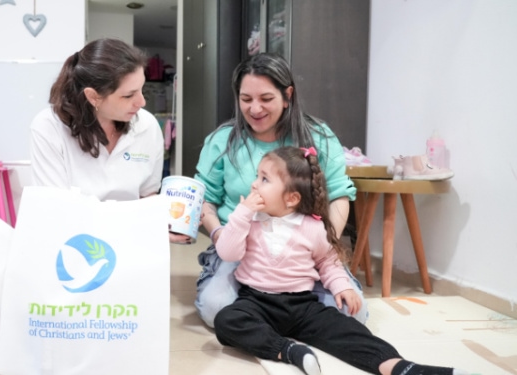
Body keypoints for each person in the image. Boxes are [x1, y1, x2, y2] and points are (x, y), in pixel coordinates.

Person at [213, 146, 466, 375]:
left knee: (348, 328)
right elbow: (228, 253)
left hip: (301, 306)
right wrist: (242, 214)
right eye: (257, 176)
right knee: (227, 321)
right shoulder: (248, 220)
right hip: (256, 302)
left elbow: (328, 262)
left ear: (291, 198)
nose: (255, 184)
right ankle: (288, 351)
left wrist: (342, 285)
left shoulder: (311, 228)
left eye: (264, 179)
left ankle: (400, 367)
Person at [194, 52, 367, 328]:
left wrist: (322, 245)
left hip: (304, 252)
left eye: (266, 99)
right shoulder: (222, 141)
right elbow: (204, 199)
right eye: (246, 99)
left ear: (287, 95)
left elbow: (338, 194)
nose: (255, 109)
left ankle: (269, 317)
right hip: (241, 249)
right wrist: (219, 234)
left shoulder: (318, 136)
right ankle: (281, 318)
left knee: (352, 313)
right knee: (216, 310)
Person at [29, 38, 190, 243]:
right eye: (129, 95)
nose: (142, 102)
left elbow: (147, 197)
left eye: (142, 89)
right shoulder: (49, 127)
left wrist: (165, 223)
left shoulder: (147, 126)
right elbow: (57, 210)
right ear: (93, 97)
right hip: (72, 242)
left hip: (132, 241)